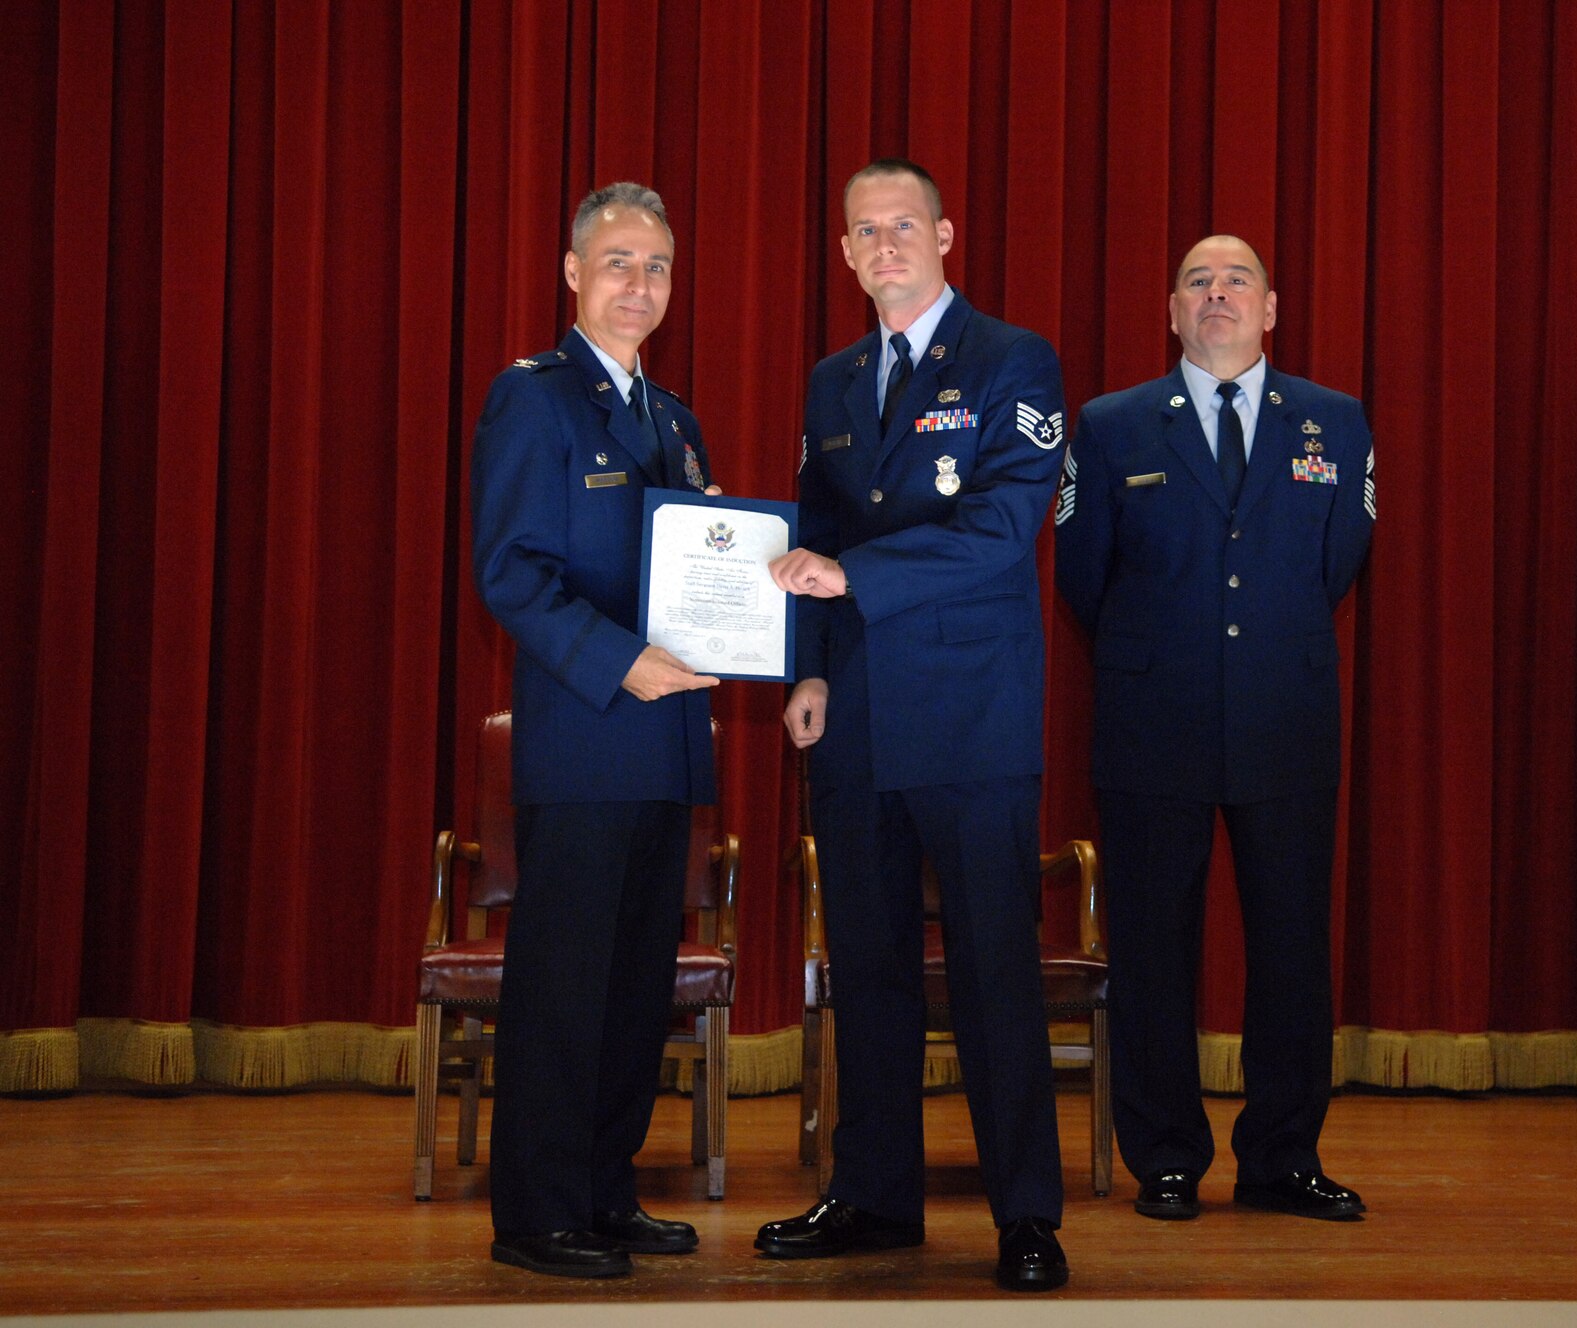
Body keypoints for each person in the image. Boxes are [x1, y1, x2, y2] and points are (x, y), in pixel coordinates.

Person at [762, 158, 1070, 1292]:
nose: (884, 245)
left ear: (944, 234)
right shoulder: (832, 380)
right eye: (863, 232)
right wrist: (803, 670)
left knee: (993, 971)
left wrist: (850, 577)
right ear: (843, 254)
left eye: (903, 225)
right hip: (851, 718)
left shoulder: (1010, 358)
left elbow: (1002, 524)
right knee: (869, 966)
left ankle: (1025, 1213)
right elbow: (806, 532)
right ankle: (874, 1193)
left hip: (970, 718)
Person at [1054, 235, 1376, 1224]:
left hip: (1283, 718)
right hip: (1155, 720)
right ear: (1171, 310)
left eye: (1237, 279)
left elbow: (1338, 564)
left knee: (1290, 948)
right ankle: (1163, 1154)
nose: (1218, 293)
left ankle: (1282, 1155)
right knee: (1152, 948)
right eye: (1197, 280)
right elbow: (1081, 579)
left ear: (1270, 308)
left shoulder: (1333, 421)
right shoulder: (1111, 427)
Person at [470, 181, 722, 1279]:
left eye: (655, 266)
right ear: (571, 273)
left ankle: (606, 1190)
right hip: (582, 739)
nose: (637, 283)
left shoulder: (675, 420)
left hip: (663, 750)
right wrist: (621, 657)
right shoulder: (534, 398)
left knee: (632, 991)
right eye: (616, 261)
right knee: (563, 986)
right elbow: (509, 575)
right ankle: (536, 1209)